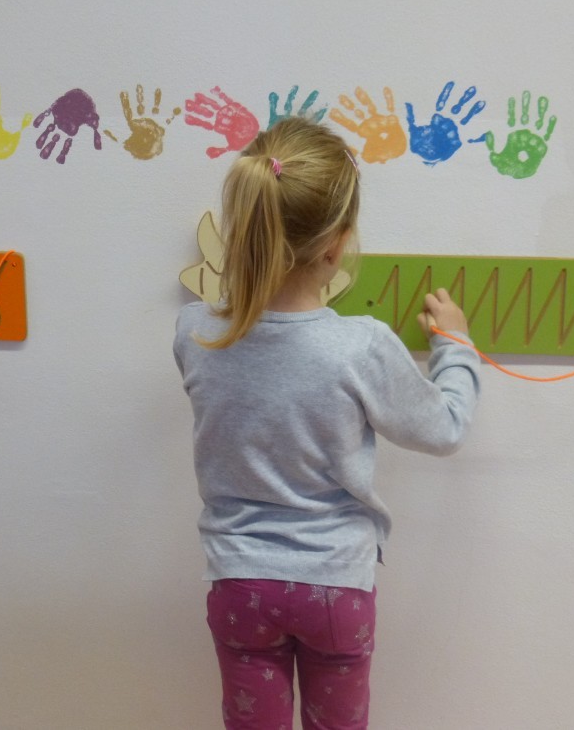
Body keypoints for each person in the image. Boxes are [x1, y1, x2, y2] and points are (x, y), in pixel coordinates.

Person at [173, 118, 481, 730]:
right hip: (336, 588)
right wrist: (455, 346)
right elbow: (445, 428)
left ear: (243, 227)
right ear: (336, 246)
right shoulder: (359, 347)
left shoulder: (194, 331)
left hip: (240, 584)